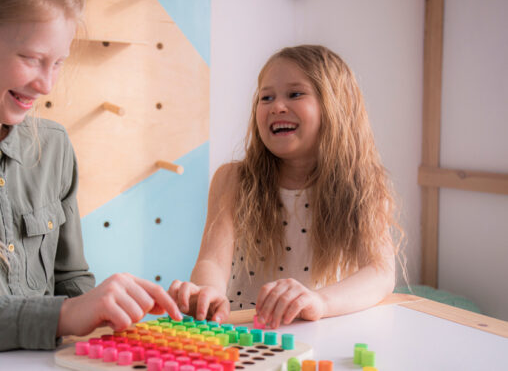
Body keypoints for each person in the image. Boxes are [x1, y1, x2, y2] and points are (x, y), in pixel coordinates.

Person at [0, 0, 181, 352]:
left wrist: (109, 312)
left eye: (58, 63)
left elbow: (70, 280)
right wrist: (61, 315)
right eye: (30, 58)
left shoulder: (54, 147)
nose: (46, 85)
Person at [168, 45, 404, 328]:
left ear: (336, 107)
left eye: (295, 94)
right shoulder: (233, 180)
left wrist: (320, 302)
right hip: (246, 335)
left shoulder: (364, 185)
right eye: (266, 97)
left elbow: (380, 273)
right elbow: (212, 262)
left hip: (322, 332)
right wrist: (208, 292)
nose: (277, 106)